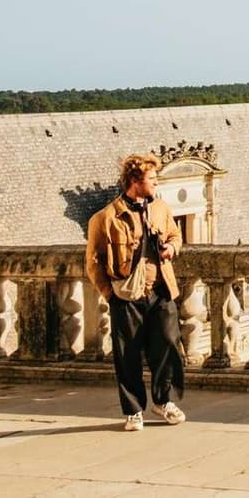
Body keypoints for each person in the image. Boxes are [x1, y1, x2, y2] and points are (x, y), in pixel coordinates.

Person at [85, 153, 188, 431]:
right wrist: (110, 296)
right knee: (127, 354)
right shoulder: (105, 218)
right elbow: (93, 263)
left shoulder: (161, 209)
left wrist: (172, 248)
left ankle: (164, 401)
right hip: (126, 296)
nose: (156, 183)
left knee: (168, 346)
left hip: (160, 291)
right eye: (152, 178)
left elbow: (175, 235)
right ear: (134, 181)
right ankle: (133, 410)